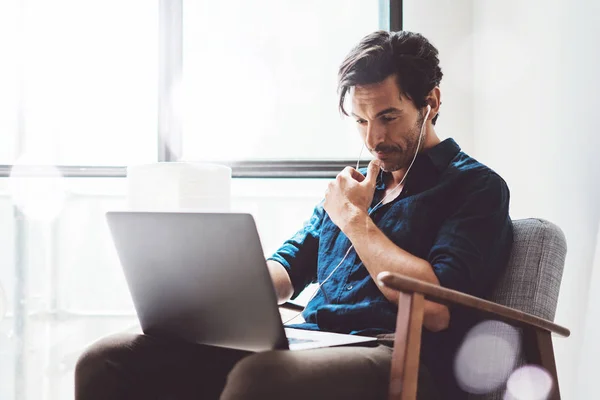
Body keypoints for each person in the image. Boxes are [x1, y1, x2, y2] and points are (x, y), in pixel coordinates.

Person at [75, 30, 513, 400]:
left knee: (262, 378)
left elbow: (436, 308)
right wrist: (210, 291)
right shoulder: (356, 189)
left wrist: (356, 222)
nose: (374, 138)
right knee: (108, 358)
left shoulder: (474, 187)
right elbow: (288, 269)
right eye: (360, 121)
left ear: (430, 102)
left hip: (400, 354)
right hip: (314, 341)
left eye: (388, 116)